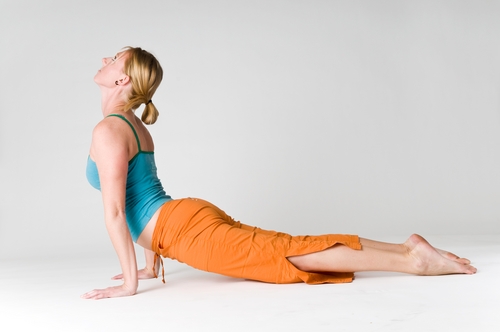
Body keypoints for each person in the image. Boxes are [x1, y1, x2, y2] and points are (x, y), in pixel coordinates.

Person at [82, 47, 476, 300]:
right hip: (183, 220)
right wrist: (152, 265)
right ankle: (409, 251)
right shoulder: (129, 125)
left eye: (113, 58)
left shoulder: (110, 130)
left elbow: (117, 213)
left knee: (288, 253)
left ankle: (413, 260)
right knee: (287, 247)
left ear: (122, 80)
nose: (105, 58)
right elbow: (143, 193)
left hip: (184, 229)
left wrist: (131, 283)